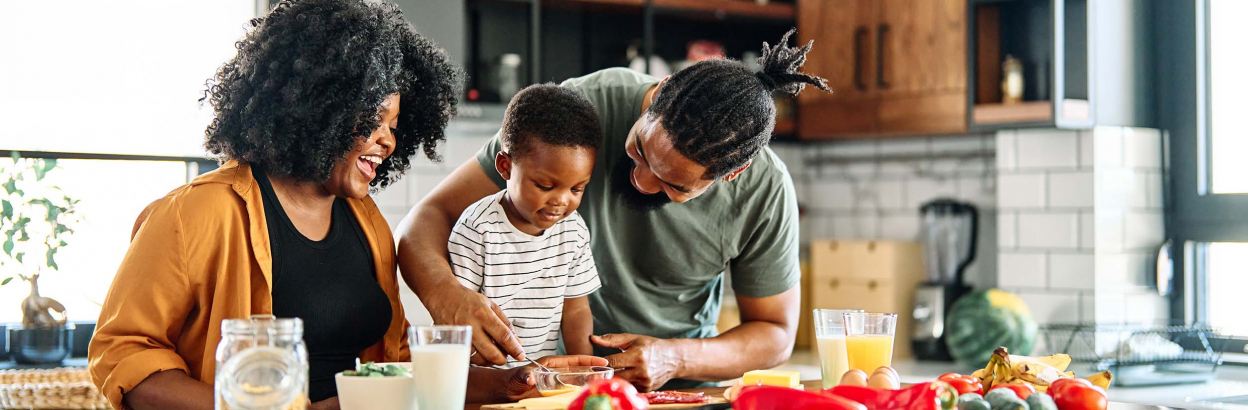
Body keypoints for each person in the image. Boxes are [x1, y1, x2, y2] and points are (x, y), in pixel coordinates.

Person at [88, 1, 601, 409]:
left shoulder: (367, 223)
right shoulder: (196, 213)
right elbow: (124, 355)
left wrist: (513, 382)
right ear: (315, 108)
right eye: (372, 122)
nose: (387, 142)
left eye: (395, 128)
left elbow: (398, 368)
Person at [398, 29, 831, 391]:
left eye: (674, 185)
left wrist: (674, 357)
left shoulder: (765, 190)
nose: (641, 180)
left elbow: (775, 334)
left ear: (731, 175)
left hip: (670, 393)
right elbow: (427, 218)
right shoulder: (577, 112)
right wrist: (447, 297)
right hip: (543, 387)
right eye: (639, 150)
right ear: (659, 92)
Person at [449, 84, 603, 367]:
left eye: (577, 189)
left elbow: (576, 311)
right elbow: (458, 320)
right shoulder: (477, 229)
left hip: (543, 378)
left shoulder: (573, 231)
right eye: (545, 185)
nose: (561, 201)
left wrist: (584, 373)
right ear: (505, 166)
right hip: (484, 377)